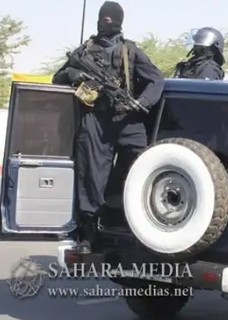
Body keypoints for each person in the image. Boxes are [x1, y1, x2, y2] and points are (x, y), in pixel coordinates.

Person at [52, 1, 164, 253]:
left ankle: (133, 218)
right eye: (104, 19)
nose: (106, 23)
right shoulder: (84, 51)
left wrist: (141, 102)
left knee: (144, 165)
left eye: (110, 19)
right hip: (95, 119)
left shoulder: (130, 51)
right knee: (90, 175)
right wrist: (76, 76)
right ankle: (88, 233)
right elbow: (58, 77)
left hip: (127, 119)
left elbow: (157, 80)